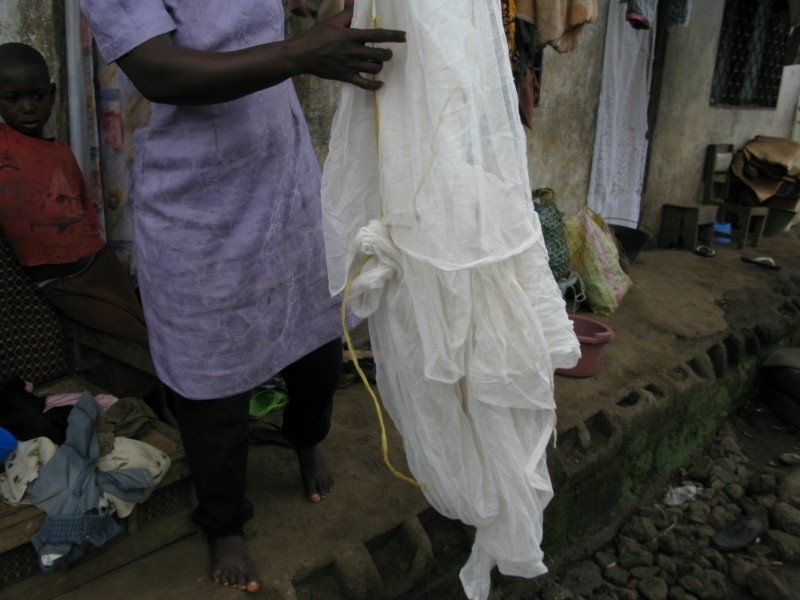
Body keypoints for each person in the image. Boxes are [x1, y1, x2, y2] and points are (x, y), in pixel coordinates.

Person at [79, 0, 405, 593]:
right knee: (212, 382)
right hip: (199, 204)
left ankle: (305, 439)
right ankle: (224, 519)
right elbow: (159, 72)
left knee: (315, 344)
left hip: (283, 176)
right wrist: (302, 53)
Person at [0, 42, 164, 406]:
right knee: (131, 337)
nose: (27, 107)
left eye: (37, 96)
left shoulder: (59, 152)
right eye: (13, 98)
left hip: (96, 263)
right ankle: (151, 403)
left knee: (142, 329)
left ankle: (160, 405)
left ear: (52, 94)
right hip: (59, 279)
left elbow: (84, 211)